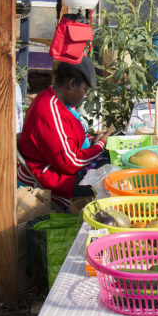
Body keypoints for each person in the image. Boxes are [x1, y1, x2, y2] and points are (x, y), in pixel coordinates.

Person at [17, 55, 115, 211]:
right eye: (84, 89)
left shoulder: (59, 104)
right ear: (71, 84)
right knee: (114, 178)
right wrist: (99, 146)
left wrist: (93, 141)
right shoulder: (48, 110)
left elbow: (72, 137)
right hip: (55, 179)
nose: (84, 95)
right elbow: (70, 163)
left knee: (114, 161)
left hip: (63, 170)